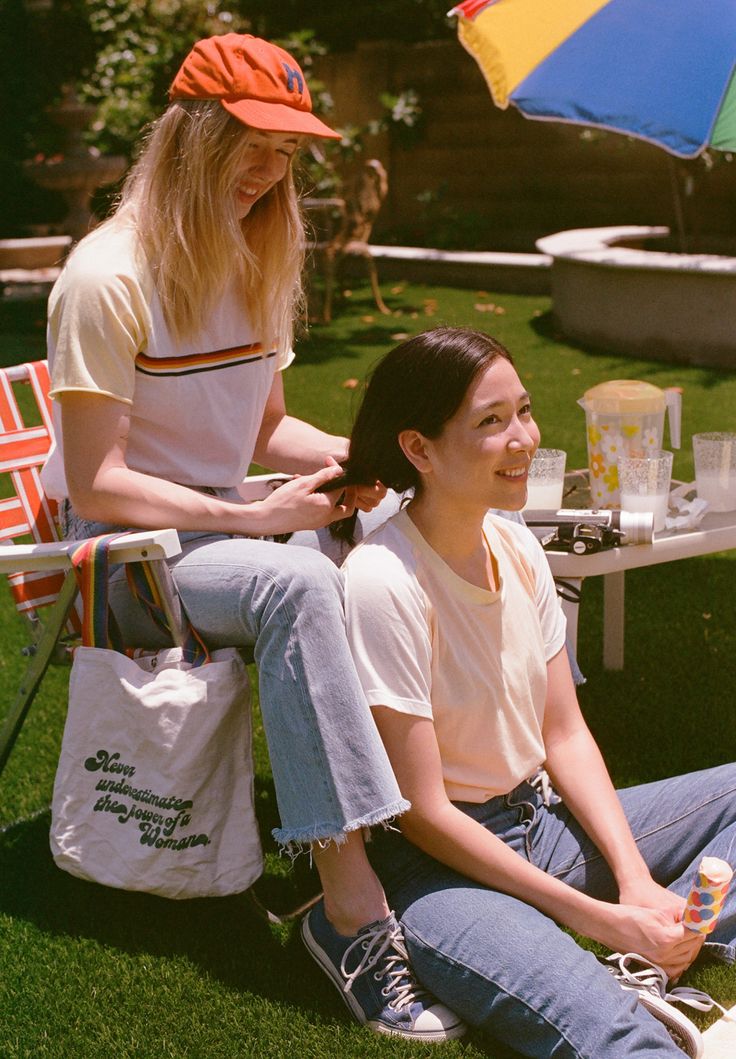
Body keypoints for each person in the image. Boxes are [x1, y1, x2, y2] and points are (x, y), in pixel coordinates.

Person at [40, 33, 465, 1043]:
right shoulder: (105, 277)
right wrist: (253, 517)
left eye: (286, 148)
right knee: (297, 585)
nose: (271, 170)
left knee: (394, 539)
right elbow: (98, 480)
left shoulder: (253, 253)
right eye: (251, 142)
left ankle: (449, 814)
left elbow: (268, 430)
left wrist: (397, 465)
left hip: (223, 520)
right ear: (191, 134)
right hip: (127, 556)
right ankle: (350, 906)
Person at [314, 325, 736, 1058]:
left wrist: (633, 881)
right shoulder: (382, 583)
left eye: (525, 411)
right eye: (491, 421)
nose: (525, 438)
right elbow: (423, 813)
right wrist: (601, 919)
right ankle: (626, 975)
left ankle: (667, 942)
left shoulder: (517, 546)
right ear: (418, 448)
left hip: (537, 826)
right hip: (437, 873)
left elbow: (563, 733)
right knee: (611, 1031)